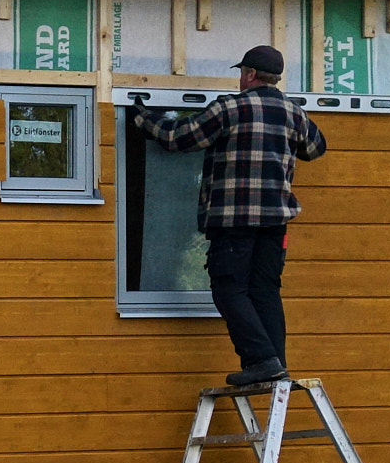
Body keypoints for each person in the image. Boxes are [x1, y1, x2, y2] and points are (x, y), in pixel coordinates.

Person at [130, 45, 327, 388]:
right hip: (274, 222)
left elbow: (179, 138)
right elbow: (315, 148)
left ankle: (262, 361)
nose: (239, 79)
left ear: (249, 74)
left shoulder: (230, 107)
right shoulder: (293, 113)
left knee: (228, 289)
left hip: (233, 220)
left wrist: (143, 118)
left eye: (241, 73)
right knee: (264, 290)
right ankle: (276, 364)